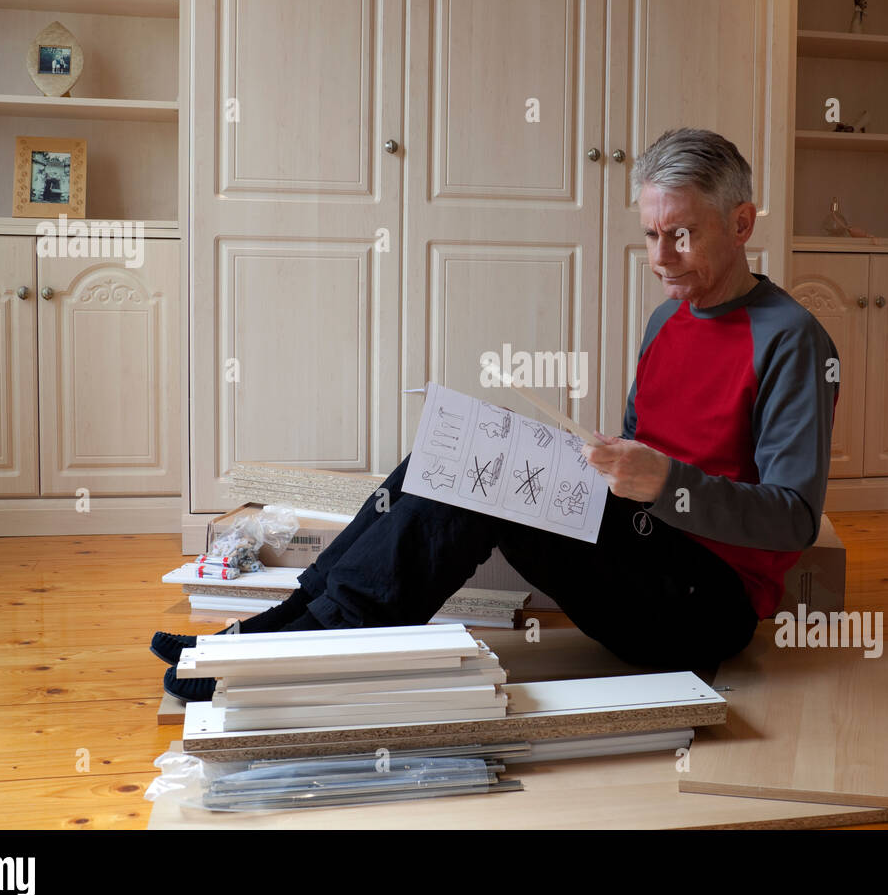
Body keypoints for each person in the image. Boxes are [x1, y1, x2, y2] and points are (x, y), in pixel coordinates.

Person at [154, 127, 838, 701]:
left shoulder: (790, 338)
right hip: (650, 551)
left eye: (681, 235)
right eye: (651, 234)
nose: (660, 258)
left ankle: (313, 653)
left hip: (704, 605)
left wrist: (665, 481)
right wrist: (609, 462)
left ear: (741, 222)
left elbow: (793, 518)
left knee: (488, 478)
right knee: (453, 448)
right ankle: (284, 625)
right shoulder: (668, 319)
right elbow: (642, 457)